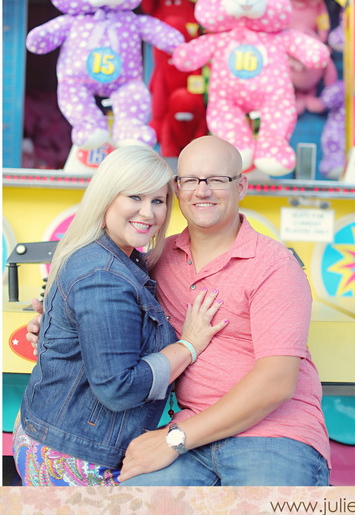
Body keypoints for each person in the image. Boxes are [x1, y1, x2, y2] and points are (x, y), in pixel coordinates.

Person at [27, 137, 330, 486]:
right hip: (186, 435)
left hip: (272, 434)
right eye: (191, 180)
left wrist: (175, 438)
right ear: (178, 187)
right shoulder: (156, 259)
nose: (203, 191)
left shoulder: (274, 265)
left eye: (218, 179)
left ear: (242, 186)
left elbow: (276, 383)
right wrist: (60, 327)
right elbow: (105, 309)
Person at [13, 145, 226, 486]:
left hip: (59, 432)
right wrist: (190, 344)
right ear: (107, 198)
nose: (149, 212)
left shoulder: (117, 256)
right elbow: (117, 387)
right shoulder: (104, 275)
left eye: (158, 201)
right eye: (135, 197)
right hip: (73, 453)